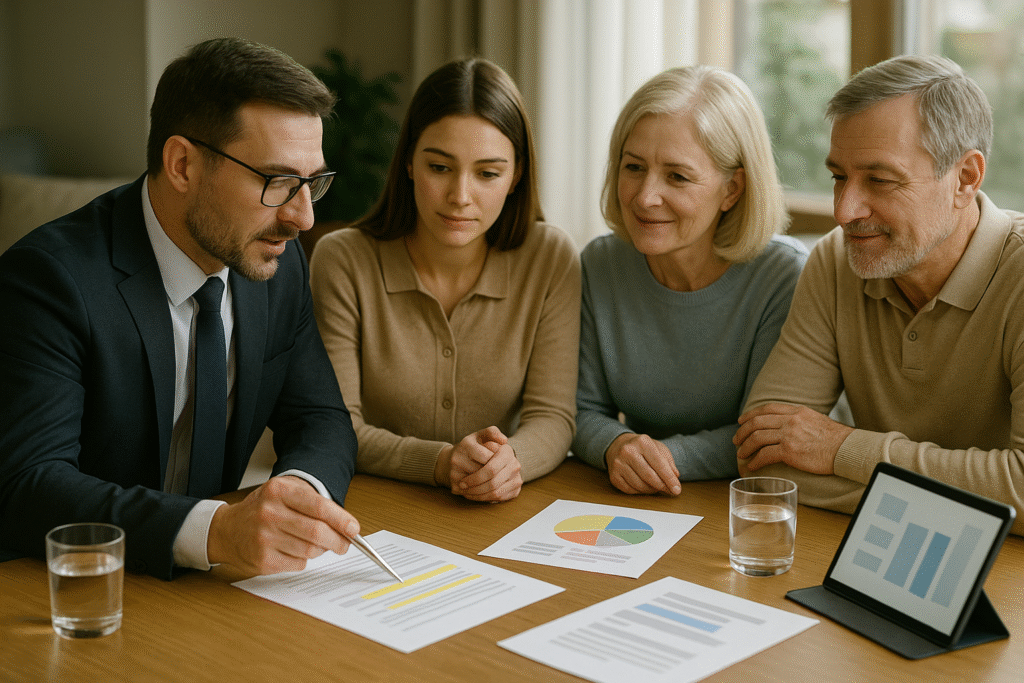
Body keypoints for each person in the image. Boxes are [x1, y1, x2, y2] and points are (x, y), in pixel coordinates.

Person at [0, 38, 361, 579]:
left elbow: (321, 418)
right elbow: (29, 484)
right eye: (279, 182)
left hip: (215, 594)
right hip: (80, 590)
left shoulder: (276, 264)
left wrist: (299, 496)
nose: (303, 218)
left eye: (312, 183)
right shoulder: (50, 279)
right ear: (183, 165)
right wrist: (214, 531)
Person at [734, 55, 1024, 534]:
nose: (845, 211)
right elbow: (765, 463)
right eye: (838, 177)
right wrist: (976, 504)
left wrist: (844, 451)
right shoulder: (834, 261)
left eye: (881, 180)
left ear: (966, 178)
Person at [309, 58, 580, 503]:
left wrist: (508, 462)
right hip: (376, 509)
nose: (460, 196)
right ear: (410, 163)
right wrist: (439, 463)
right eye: (440, 167)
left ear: (516, 177)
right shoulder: (343, 260)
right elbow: (338, 425)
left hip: (503, 510)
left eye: (488, 173)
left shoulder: (550, 258)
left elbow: (552, 416)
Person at [572, 65, 807, 496]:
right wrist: (616, 444)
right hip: (637, 501)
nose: (645, 196)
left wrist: (657, 460)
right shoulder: (600, 263)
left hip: (741, 505)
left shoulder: (784, 278)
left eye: (677, 176)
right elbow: (580, 409)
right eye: (633, 167)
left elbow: (763, 438)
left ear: (732, 189)